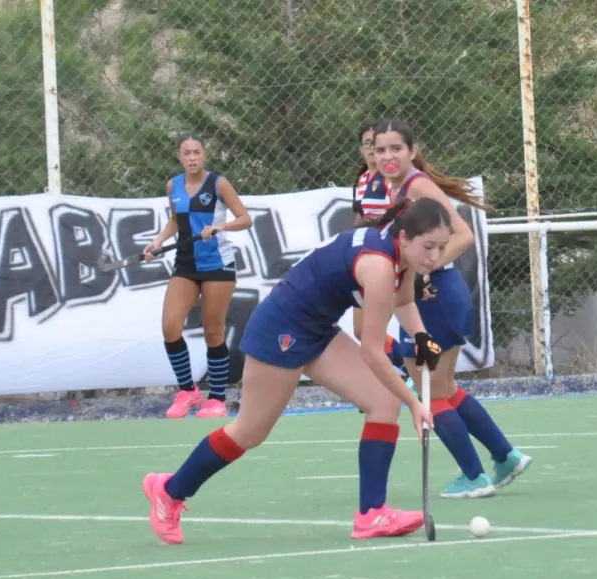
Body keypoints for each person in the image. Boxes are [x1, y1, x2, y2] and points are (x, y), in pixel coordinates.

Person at [141, 197, 450, 544]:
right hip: (281, 328)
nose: (435, 257)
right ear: (405, 237)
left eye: (442, 248)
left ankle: (371, 514)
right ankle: (169, 490)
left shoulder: (402, 255)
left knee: (383, 402)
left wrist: (420, 335)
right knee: (249, 432)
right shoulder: (379, 266)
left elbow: (404, 302)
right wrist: (414, 402)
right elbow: (372, 352)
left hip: (316, 328)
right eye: (429, 246)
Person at [373, 118, 534, 499]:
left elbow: (462, 235)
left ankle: (474, 477)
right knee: (444, 388)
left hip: (435, 298)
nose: (387, 156)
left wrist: (424, 269)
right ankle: (505, 456)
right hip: (442, 295)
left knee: (429, 393)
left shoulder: (417, 186)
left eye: (396, 148)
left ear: (412, 152)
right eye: (380, 150)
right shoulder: (396, 188)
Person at [144, 134, 252, 420]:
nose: (192, 158)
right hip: (185, 264)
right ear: (179, 156)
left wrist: (219, 228)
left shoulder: (218, 183)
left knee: (213, 332)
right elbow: (175, 220)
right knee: (170, 327)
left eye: (196, 152)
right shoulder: (173, 186)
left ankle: (216, 399)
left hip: (217, 265)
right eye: (186, 153)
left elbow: (245, 219)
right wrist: (157, 242)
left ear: (204, 155)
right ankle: (187, 391)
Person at [349, 121, 412, 389]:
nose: (372, 150)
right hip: (364, 258)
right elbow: (361, 217)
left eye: (376, 145)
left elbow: (398, 216)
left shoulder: (390, 180)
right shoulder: (363, 178)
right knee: (360, 331)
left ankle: (398, 380)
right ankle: (403, 371)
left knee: (373, 334)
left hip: (386, 260)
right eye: (368, 144)